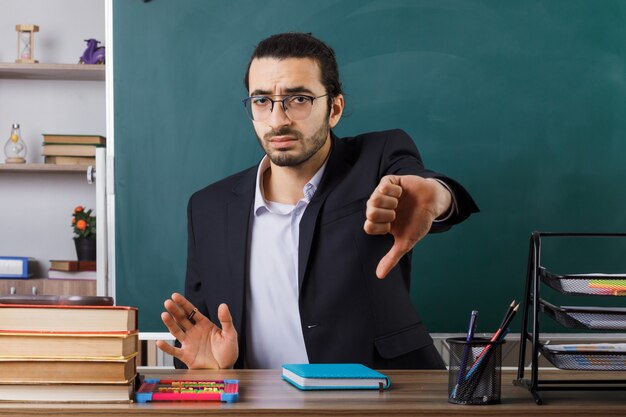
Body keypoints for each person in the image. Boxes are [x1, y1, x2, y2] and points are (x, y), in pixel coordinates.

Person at [157, 32, 479, 370]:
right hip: (255, 402)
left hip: (380, 396)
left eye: (298, 99)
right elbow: (199, 333)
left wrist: (437, 196)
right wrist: (214, 368)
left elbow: (425, 189)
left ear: (335, 108)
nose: (277, 119)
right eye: (262, 100)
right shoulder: (207, 208)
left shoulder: (378, 159)